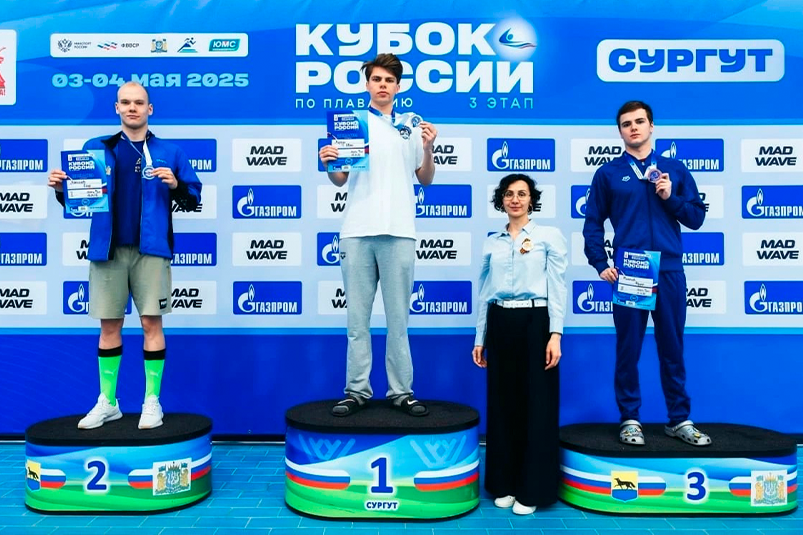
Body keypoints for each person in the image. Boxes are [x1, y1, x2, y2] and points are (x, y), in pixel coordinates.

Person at [47, 82, 201, 430]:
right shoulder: (96, 148)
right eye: (126, 102)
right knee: (109, 325)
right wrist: (61, 189)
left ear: (150, 109)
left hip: (152, 250)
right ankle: (108, 402)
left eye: (139, 102)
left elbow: (193, 198)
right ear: (116, 108)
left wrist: (175, 185)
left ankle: (152, 401)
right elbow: (80, 200)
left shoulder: (170, 152)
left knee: (151, 323)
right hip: (108, 250)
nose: (133, 108)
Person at [582, 100, 711, 447]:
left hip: (668, 270)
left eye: (639, 122)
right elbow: (593, 223)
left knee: (672, 349)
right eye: (627, 124)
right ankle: (630, 419)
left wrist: (670, 197)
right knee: (629, 349)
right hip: (632, 271)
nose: (634, 128)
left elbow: (696, 218)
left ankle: (679, 419)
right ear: (620, 131)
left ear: (651, 126)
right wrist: (600, 263)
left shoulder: (674, 170)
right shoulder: (608, 174)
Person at [318, 53, 437, 417]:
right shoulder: (351, 123)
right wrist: (329, 162)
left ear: (398, 87)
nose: (382, 85)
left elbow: (425, 178)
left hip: (400, 231)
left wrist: (429, 147)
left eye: (389, 80)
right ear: (367, 84)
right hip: (357, 231)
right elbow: (339, 179)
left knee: (398, 321)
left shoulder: (412, 124)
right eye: (376, 79)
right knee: (357, 321)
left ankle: (401, 392)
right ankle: (356, 391)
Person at [472, 173, 567, 514]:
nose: (515, 199)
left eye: (522, 194)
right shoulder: (492, 242)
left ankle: (533, 489)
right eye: (509, 194)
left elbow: (557, 287)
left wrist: (555, 334)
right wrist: (480, 337)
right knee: (503, 404)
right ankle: (506, 483)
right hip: (500, 322)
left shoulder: (548, 236)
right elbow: (484, 292)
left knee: (537, 406)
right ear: (501, 200)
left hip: (536, 322)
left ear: (531, 200)